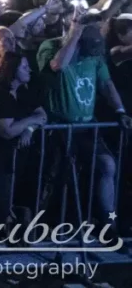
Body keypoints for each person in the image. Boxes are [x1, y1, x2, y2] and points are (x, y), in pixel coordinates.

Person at [36, 14, 132, 223]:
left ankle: (109, 222)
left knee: (107, 165)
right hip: (59, 126)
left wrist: (120, 111)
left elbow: (106, 84)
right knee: (54, 177)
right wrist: (75, 33)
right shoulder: (50, 46)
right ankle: (37, 224)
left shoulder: (95, 55)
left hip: (87, 125)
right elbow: (58, 66)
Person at [0, 53, 47, 229]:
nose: (29, 70)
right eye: (23, 67)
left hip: (19, 158)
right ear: (12, 70)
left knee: (15, 199)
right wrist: (29, 122)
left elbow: (42, 115)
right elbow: (6, 131)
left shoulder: (23, 93)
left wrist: (28, 129)